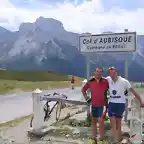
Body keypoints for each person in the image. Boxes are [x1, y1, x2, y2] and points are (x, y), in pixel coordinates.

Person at [106, 66, 144, 143]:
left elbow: (133, 91)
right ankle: (115, 140)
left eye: (113, 73)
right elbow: (99, 80)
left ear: (116, 73)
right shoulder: (108, 79)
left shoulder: (124, 81)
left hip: (120, 104)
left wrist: (141, 101)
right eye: (110, 74)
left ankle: (120, 136)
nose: (112, 75)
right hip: (112, 103)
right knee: (113, 122)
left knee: (118, 122)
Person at [81, 67, 109, 144]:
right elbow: (83, 90)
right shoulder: (91, 81)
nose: (98, 73)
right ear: (94, 72)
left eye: (100, 72)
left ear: (102, 73)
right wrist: (87, 99)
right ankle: (93, 138)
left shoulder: (105, 81)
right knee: (93, 121)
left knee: (101, 122)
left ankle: (101, 139)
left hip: (102, 105)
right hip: (93, 105)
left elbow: (112, 88)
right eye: (97, 71)